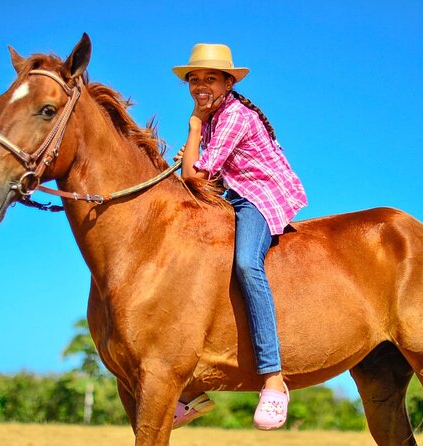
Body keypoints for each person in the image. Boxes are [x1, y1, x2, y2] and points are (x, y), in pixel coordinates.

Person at [172, 43, 307, 430]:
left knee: (247, 263)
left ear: (228, 82)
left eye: (209, 78)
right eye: (194, 79)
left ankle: (273, 380)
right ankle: (189, 388)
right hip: (232, 197)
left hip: (259, 196)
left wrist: (194, 126)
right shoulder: (216, 117)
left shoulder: (231, 115)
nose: (200, 85)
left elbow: (194, 176)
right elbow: (195, 170)